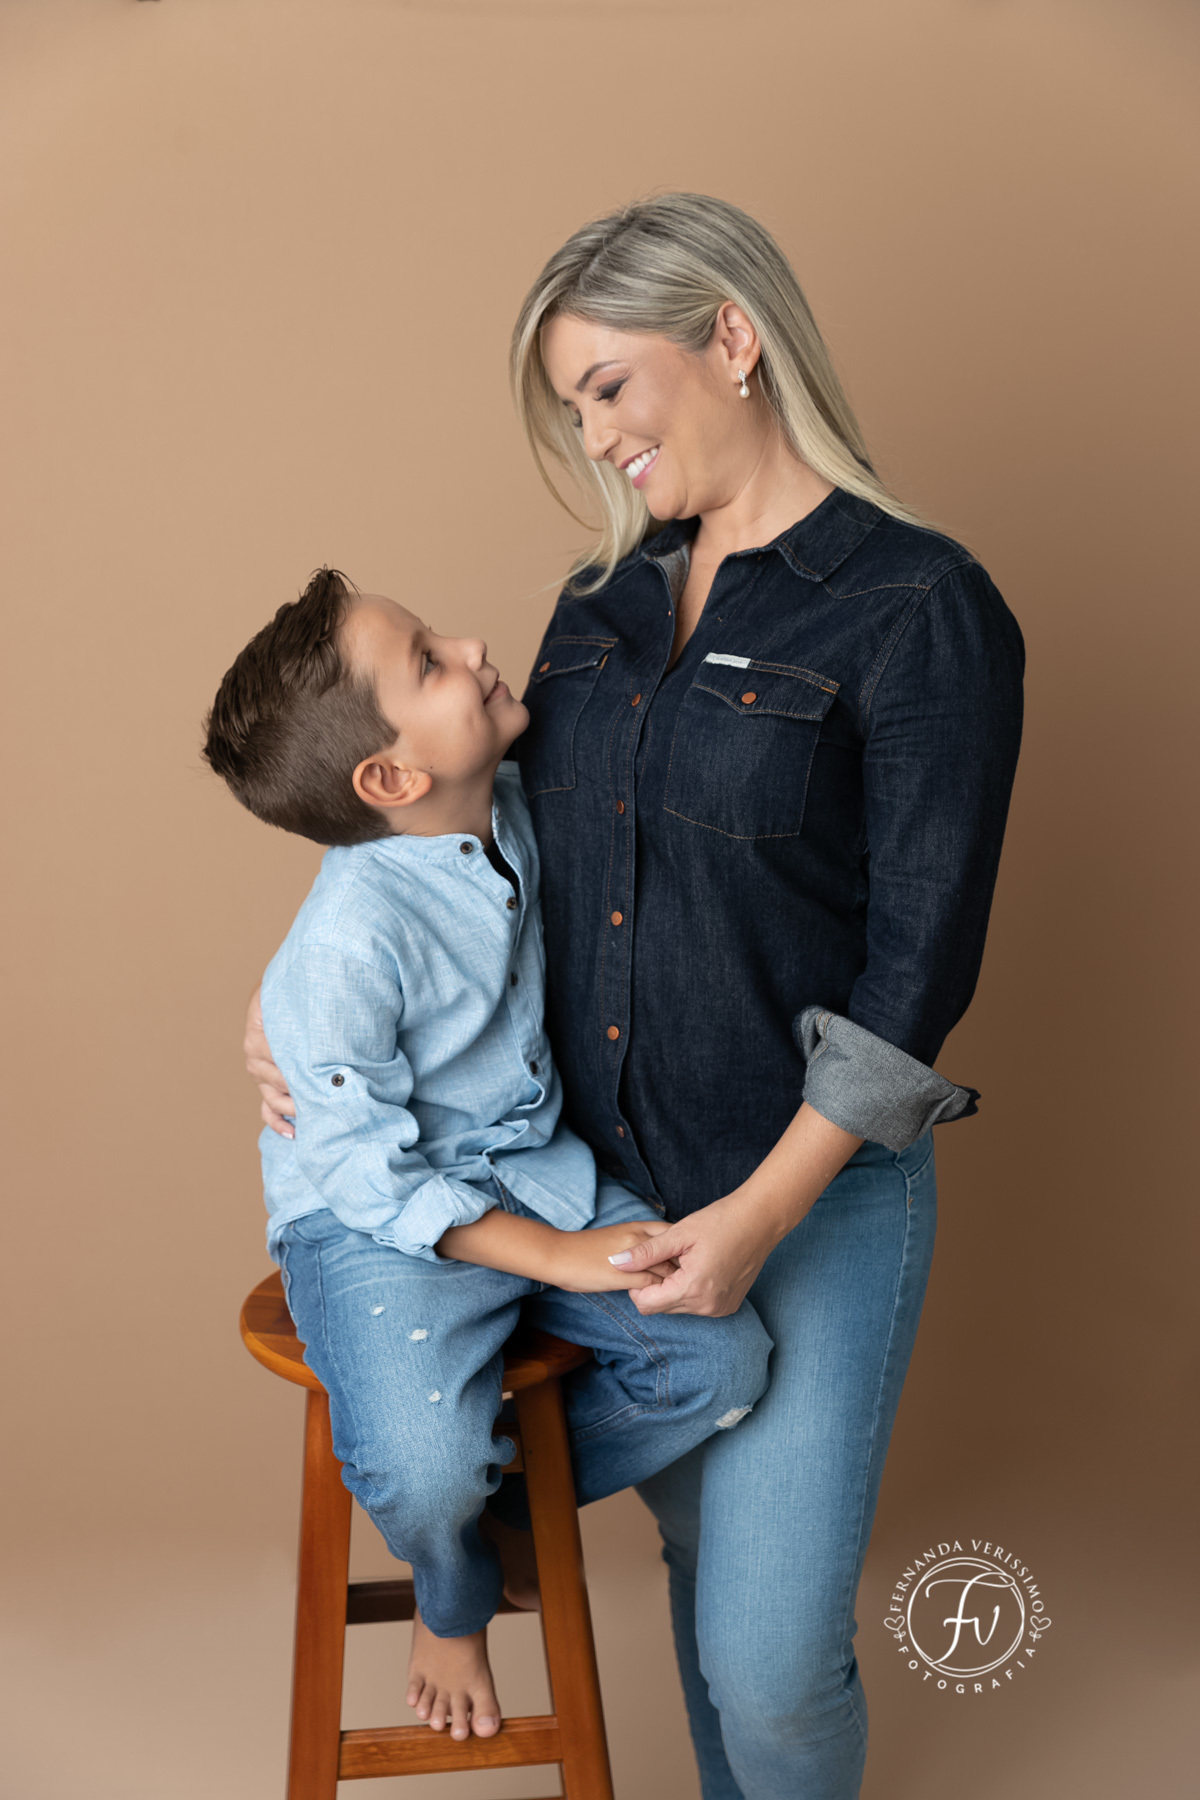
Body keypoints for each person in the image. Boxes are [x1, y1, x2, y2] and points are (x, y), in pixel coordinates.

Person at [249, 193, 1024, 1799]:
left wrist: (753, 1220)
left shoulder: (920, 610)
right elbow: (460, 844)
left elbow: (920, 969)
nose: (594, 437)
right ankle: (483, 1547)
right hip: (593, 1187)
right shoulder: (596, 604)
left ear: (732, 338)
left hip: (803, 1197)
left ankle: (498, 1556)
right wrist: (284, 1015)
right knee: (695, 1567)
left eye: (607, 387)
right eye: (573, 405)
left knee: (773, 1659)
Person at [205, 568, 772, 1748]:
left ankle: (506, 1521)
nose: (469, 645)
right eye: (428, 661)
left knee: (719, 1358)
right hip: (375, 1221)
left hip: (531, 1165)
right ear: (390, 779)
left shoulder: (525, 805)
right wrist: (556, 1259)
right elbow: (367, 1176)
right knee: (422, 1464)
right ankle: (452, 1591)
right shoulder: (346, 943)